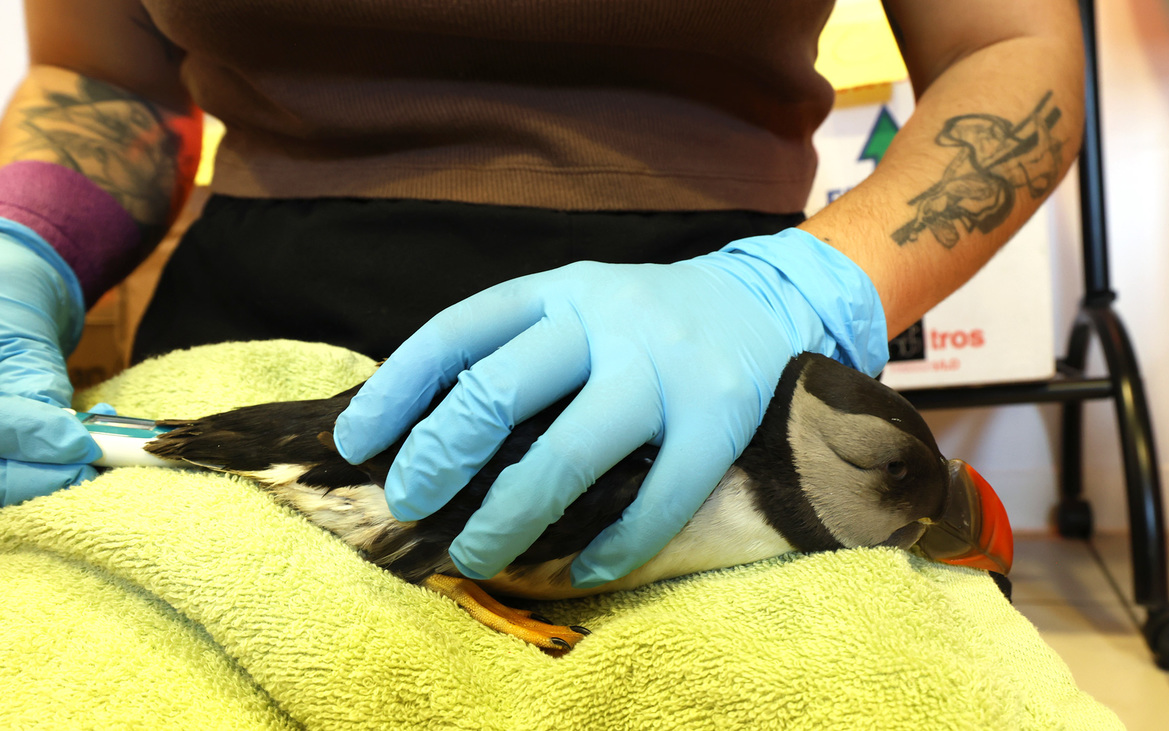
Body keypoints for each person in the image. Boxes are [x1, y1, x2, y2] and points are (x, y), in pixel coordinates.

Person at [0, 0, 1083, 589]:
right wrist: (20, 253)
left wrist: (800, 284)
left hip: (713, 362)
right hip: (258, 342)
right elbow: (103, 75)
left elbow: (1009, 43)